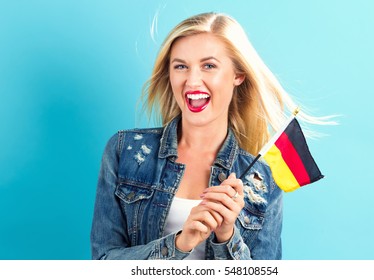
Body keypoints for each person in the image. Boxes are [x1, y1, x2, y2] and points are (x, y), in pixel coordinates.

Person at [91, 12, 327, 260]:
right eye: (181, 66)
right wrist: (180, 244)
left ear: (238, 75)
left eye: (209, 66)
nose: (192, 81)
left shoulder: (262, 179)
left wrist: (226, 236)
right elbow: (103, 260)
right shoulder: (126, 151)